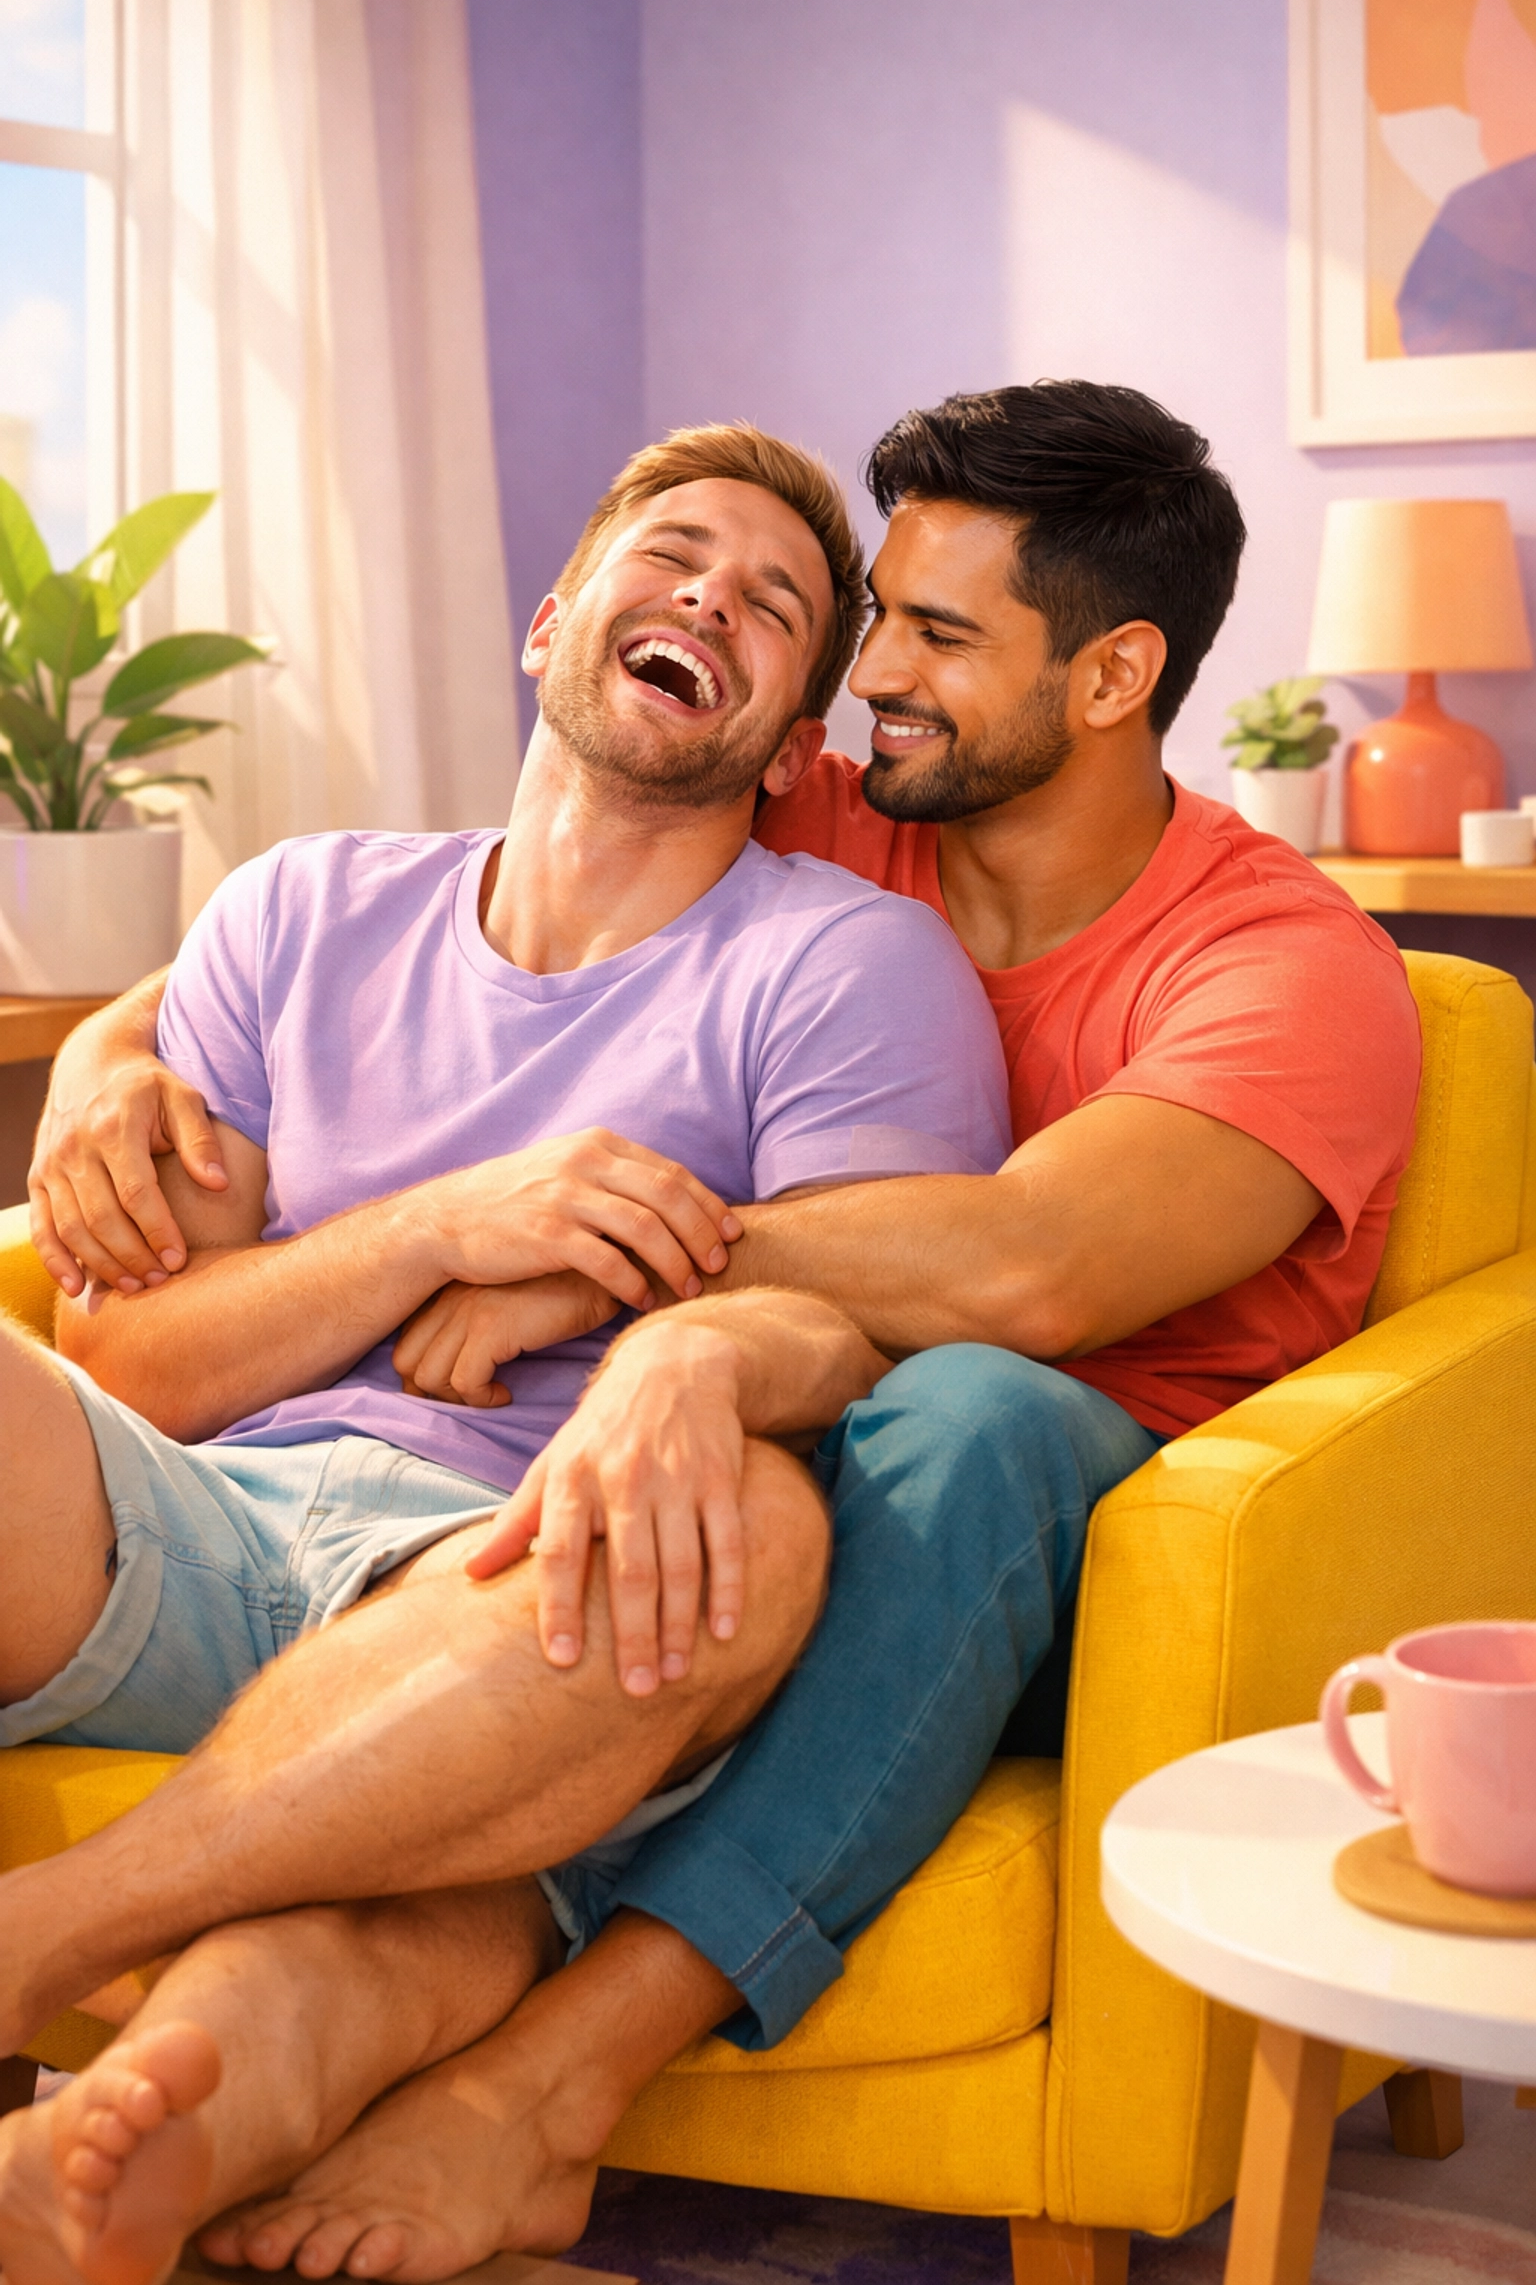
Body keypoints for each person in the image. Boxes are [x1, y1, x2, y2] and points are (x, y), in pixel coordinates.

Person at [11, 384, 1421, 2285]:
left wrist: (623, 1273)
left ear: (1111, 678)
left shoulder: (1285, 967)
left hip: (1064, 1526)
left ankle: (547, 2094)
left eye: (931, 635)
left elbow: (1028, 1279)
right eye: (870, 624)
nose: (866, 677)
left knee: (966, 1422)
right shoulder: (839, 792)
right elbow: (326, 943)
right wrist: (105, 1066)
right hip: (643, 1471)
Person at [0, 423, 1022, 2285]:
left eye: (777, 603)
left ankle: (78, 2090)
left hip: (512, 1590)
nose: (712, 592)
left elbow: (863, 1317)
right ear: (555, 623)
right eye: (672, 554)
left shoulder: (846, 967)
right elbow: (128, 1362)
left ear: (792, 743)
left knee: (747, 1551)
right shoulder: (299, 909)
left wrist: (674, 1352)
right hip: (197, 1519)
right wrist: (435, 1226)